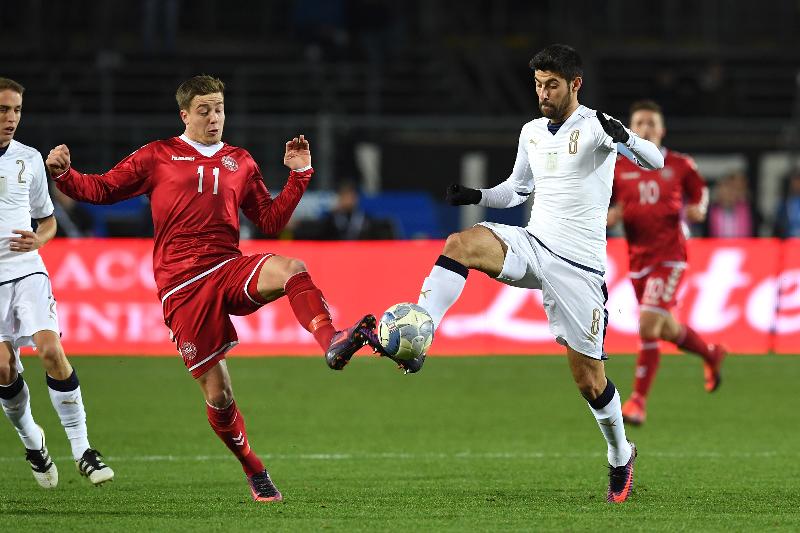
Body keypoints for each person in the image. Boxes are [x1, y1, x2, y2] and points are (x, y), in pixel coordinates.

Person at [46, 75, 381, 503]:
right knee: (219, 395)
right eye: (203, 110)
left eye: (219, 109)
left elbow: (270, 221)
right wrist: (66, 175)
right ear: (184, 115)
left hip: (227, 267)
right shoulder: (158, 155)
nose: (213, 118)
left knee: (292, 268)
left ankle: (331, 340)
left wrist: (299, 175)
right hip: (182, 286)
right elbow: (104, 189)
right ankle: (254, 468)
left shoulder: (240, 161)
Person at [401, 44, 664, 503]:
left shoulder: (597, 126)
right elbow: (517, 190)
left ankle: (621, 453)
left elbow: (654, 161)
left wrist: (625, 137)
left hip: (580, 267)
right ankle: (421, 333)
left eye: (552, 85)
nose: (543, 93)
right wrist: (477, 195)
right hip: (534, 243)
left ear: (575, 84)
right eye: (538, 84)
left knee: (589, 381)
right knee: (460, 244)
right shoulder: (531, 132)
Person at [0, 77, 114, 488]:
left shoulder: (28, 159)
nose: (11, 118)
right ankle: (34, 442)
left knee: (50, 350)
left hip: (26, 269)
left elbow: (47, 221)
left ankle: (83, 450)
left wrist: (38, 239)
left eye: (16, 110)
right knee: (3, 369)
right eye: (3, 110)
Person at [606, 99, 726, 427]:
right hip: (637, 257)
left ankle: (637, 401)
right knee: (666, 328)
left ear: (662, 130)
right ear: (631, 130)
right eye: (639, 123)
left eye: (651, 123)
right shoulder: (616, 167)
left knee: (648, 325)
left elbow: (700, 191)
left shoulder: (680, 164)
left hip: (670, 256)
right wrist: (609, 215)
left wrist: (700, 208)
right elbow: (605, 204)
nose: (646, 128)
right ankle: (711, 353)